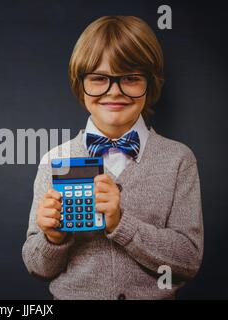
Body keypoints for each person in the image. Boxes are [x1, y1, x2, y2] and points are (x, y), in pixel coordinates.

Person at [21, 16, 204, 300]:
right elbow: (38, 267)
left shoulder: (179, 160)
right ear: (80, 84)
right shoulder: (55, 159)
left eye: (130, 78)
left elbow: (188, 260)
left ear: (150, 82)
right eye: (99, 78)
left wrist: (121, 223)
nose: (114, 91)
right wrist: (53, 238)